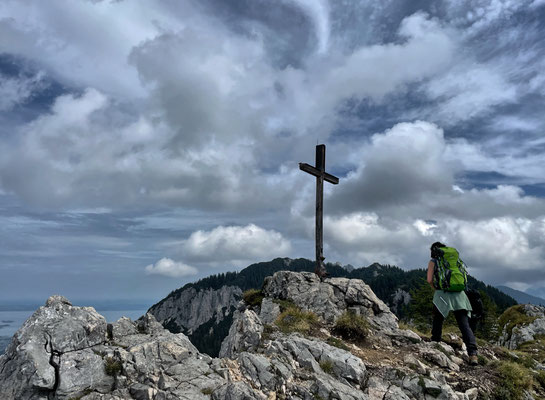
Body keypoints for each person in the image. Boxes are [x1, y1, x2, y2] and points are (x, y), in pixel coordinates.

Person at [427, 242, 478, 365]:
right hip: (459, 294)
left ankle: (436, 342)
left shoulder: (434, 261)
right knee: (464, 325)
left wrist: (436, 288)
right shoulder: (455, 260)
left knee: (438, 319)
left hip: (442, 293)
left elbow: (429, 279)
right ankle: (473, 354)